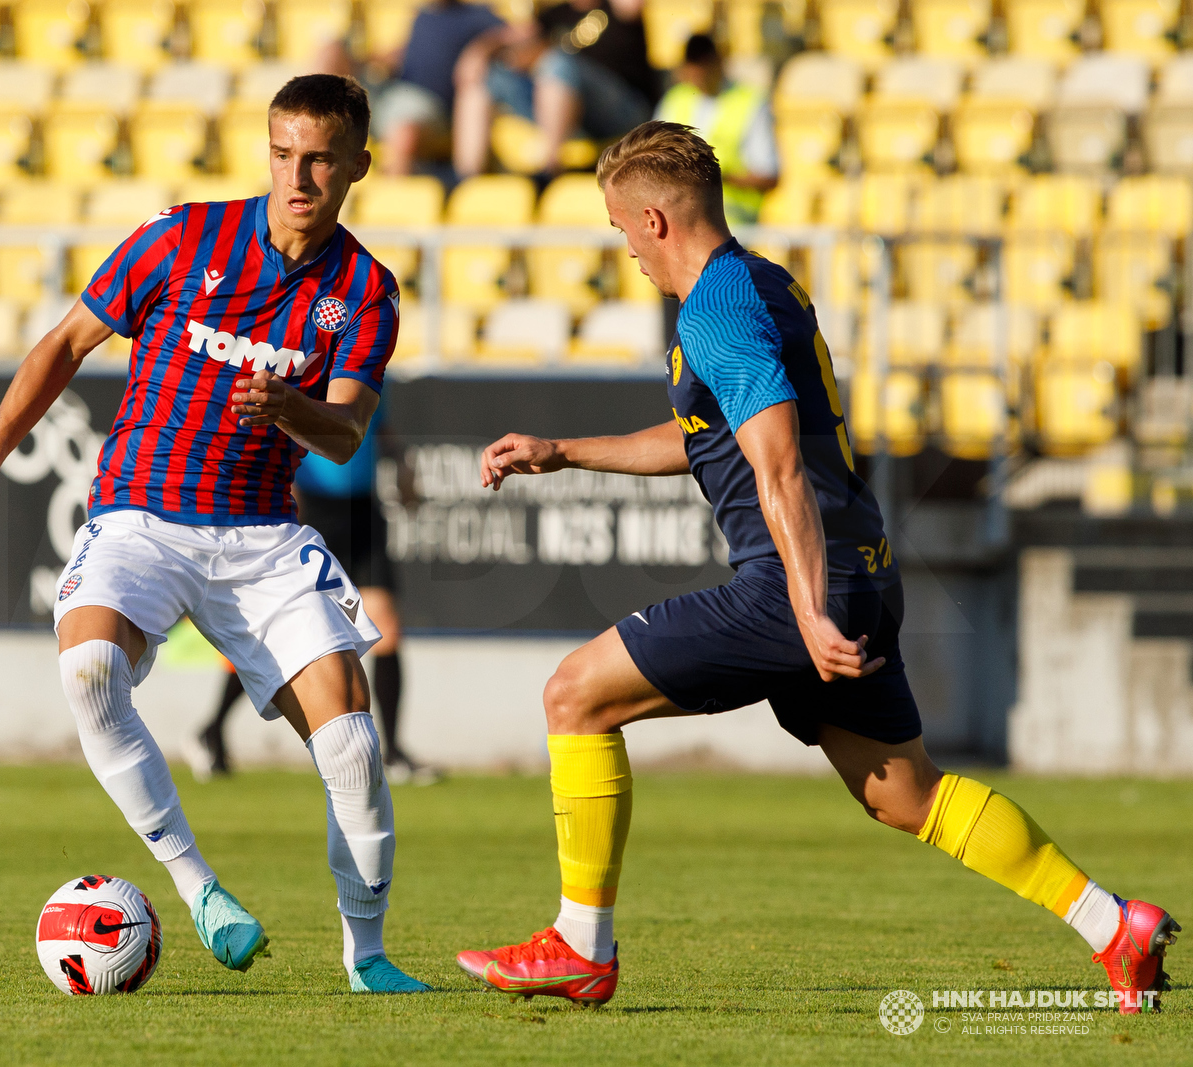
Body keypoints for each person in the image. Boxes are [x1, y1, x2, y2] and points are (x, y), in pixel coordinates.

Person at [454, 121, 1178, 1011]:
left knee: (574, 694)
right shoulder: (760, 283)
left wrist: (802, 611)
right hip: (859, 572)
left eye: (619, 231)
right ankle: (1114, 925)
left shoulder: (713, 310)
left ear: (652, 220)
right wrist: (564, 450)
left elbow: (780, 464)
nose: (626, 253)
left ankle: (579, 946)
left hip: (801, 582)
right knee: (909, 796)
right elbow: (710, 438)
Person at [0, 74, 430, 995]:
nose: (299, 176)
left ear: (359, 164)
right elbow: (66, 343)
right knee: (88, 671)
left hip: (264, 539)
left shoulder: (365, 290)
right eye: (284, 153)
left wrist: (290, 405)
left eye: (321, 158)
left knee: (353, 743)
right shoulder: (184, 237)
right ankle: (198, 889)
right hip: (141, 516)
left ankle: (367, 958)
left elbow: (347, 428)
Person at [188, 406, 438, 785]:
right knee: (281, 631)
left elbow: (377, 424)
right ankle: (212, 728)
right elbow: (281, 426)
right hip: (311, 511)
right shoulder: (310, 363)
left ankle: (394, 752)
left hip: (362, 511)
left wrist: (401, 461)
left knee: (386, 624)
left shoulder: (366, 363)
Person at [319, 0, 509, 178]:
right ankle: (318, 153)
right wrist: (365, 61)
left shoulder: (476, 15)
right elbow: (405, 53)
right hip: (391, 92)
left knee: (404, 135)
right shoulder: (422, 16)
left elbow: (518, 33)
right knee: (330, 52)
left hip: (427, 105)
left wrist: (481, 49)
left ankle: (391, 198)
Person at [486, 0, 656, 179]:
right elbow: (515, 39)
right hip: (573, 116)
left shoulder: (616, 7)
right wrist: (479, 52)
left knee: (557, 63)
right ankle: (466, 177)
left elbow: (633, 6)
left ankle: (549, 170)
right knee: (495, 74)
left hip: (624, 109)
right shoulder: (554, 15)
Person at [655, 34, 777, 226]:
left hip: (732, 223)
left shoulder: (751, 101)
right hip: (679, 216)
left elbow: (768, 175)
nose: (698, 73)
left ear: (718, 62)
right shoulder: (676, 99)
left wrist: (711, 176)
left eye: (703, 65)